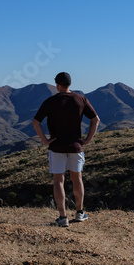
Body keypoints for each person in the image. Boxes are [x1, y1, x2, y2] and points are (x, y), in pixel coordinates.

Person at [32, 72, 100, 227]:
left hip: (56, 147)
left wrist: (45, 140)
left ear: (57, 84)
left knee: (58, 181)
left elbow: (36, 122)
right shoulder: (80, 99)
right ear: (70, 84)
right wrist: (88, 139)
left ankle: (62, 218)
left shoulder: (51, 101)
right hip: (76, 147)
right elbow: (95, 119)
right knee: (77, 180)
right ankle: (80, 212)